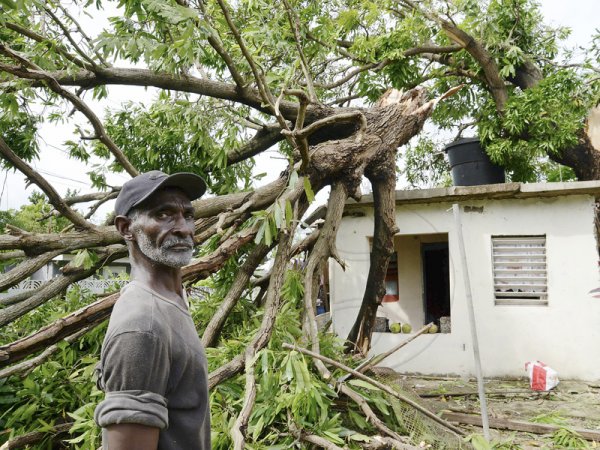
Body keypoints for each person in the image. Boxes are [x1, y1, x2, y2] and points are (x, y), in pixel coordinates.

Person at [94, 170, 211, 450]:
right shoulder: (143, 326)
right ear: (126, 228)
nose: (184, 228)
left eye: (188, 215)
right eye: (163, 215)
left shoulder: (171, 300)